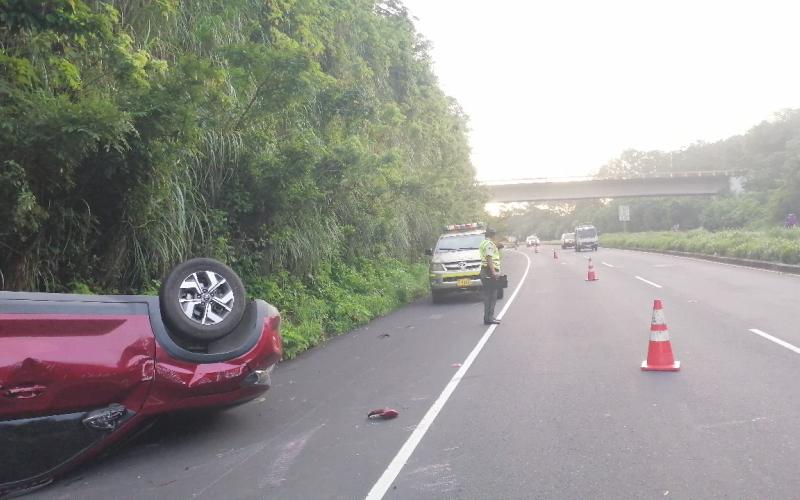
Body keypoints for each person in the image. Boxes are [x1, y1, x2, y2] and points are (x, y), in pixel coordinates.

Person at [479, 227, 502, 325]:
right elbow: (489, 258)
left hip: (485, 271)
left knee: (488, 295)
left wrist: (497, 247)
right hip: (489, 272)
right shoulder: (489, 244)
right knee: (492, 296)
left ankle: (487, 318)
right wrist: (494, 273)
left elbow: (488, 253)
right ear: (492, 235)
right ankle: (489, 318)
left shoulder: (484, 243)